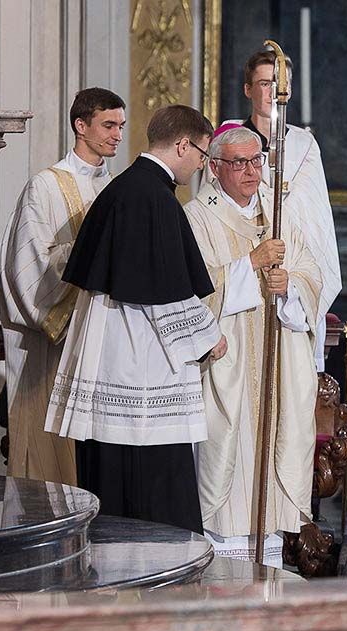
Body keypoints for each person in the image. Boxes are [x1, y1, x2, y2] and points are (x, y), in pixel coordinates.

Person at [45, 105, 225, 534]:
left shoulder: (125, 188)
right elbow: (163, 294)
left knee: (111, 482)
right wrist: (208, 338)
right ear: (182, 144)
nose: (202, 163)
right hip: (137, 366)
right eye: (201, 152)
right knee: (151, 491)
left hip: (111, 353)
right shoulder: (153, 200)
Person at [184, 126, 323, 567]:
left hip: (278, 358)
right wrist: (251, 265)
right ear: (215, 167)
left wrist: (289, 288)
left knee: (275, 452)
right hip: (229, 363)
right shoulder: (196, 217)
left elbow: (310, 273)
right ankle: (222, 571)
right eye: (239, 163)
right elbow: (192, 289)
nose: (251, 171)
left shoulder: (279, 215)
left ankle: (270, 572)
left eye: (257, 161)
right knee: (229, 456)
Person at [0, 88, 125, 485]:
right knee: (52, 462)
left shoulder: (117, 188)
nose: (118, 135)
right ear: (80, 125)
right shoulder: (46, 186)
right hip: (55, 344)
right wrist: (95, 252)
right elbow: (28, 265)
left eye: (121, 126)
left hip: (107, 346)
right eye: (108, 125)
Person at [223, 49, 341, 371]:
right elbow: (220, 208)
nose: (272, 91)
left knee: (289, 370)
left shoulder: (303, 145)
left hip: (292, 267)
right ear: (248, 89)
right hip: (245, 262)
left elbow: (314, 215)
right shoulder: (230, 137)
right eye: (263, 83)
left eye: (278, 83)